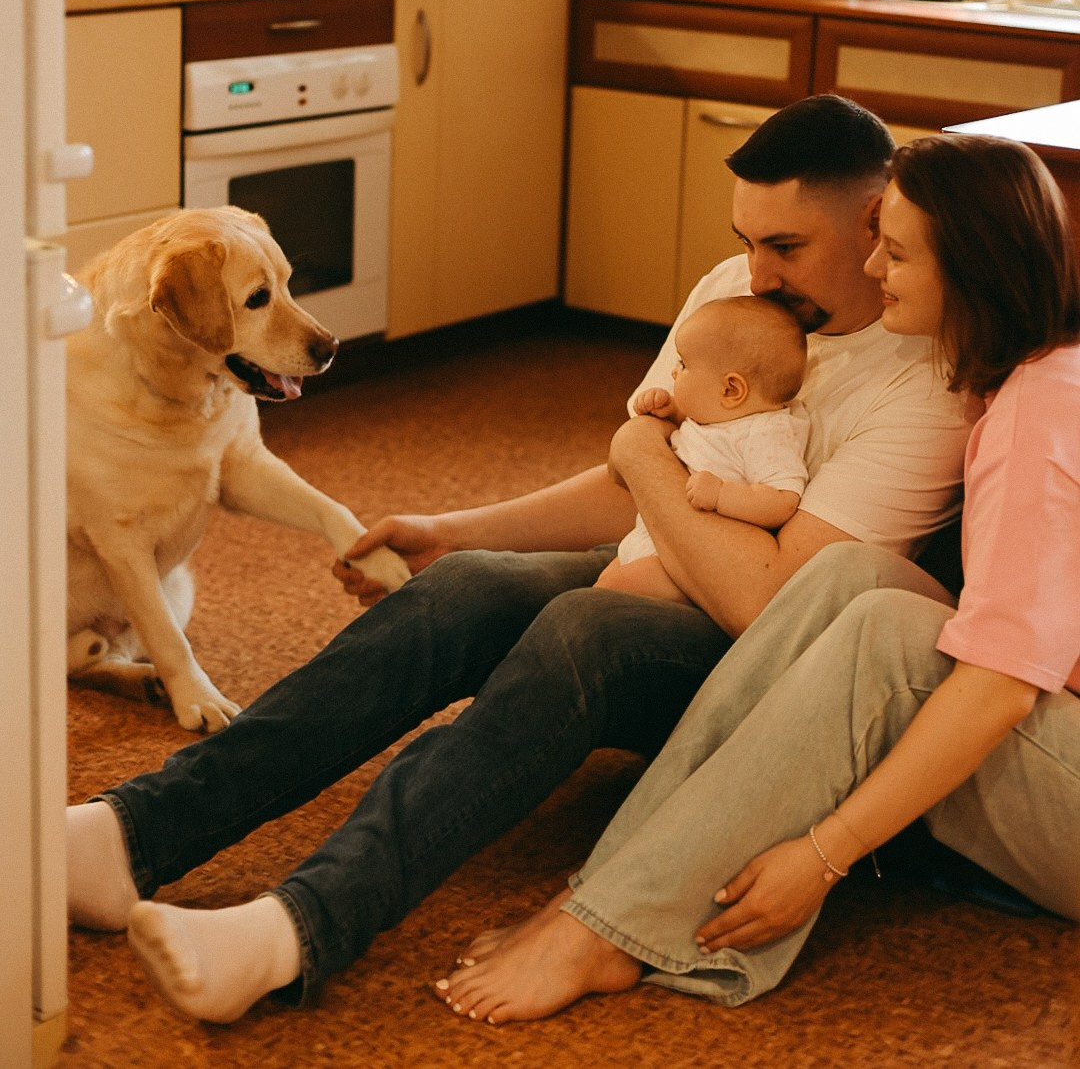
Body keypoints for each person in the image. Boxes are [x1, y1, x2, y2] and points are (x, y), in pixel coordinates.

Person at [65, 95, 970, 1023]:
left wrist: (639, 453)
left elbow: (771, 607)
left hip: (773, 673)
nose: (757, 271)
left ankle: (295, 928)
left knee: (585, 629)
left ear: (874, 221)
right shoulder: (732, 295)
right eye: (747, 240)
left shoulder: (925, 377)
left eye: (787, 246)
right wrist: (458, 529)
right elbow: (635, 483)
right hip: (663, 567)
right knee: (463, 588)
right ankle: (130, 834)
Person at [437, 134, 1080, 1026]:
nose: (872, 267)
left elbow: (1000, 687)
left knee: (888, 635)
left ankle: (608, 922)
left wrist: (824, 853)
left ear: (970, 269)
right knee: (852, 575)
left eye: (895, 254)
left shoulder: (1040, 411)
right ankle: (608, 895)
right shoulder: (1030, 377)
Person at [596, 295, 808, 605]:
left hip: (700, 559)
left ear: (731, 390)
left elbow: (782, 499)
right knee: (605, 582)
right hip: (661, 536)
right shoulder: (720, 415)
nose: (674, 372)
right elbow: (697, 437)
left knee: (608, 591)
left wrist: (722, 494)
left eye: (683, 364)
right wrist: (669, 411)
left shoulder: (766, 433)